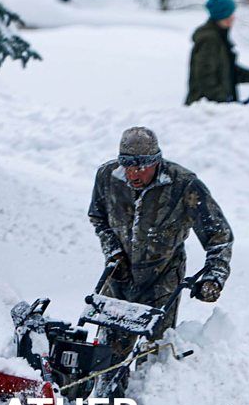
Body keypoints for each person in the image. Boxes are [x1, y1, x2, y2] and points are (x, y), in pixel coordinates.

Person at [88, 127, 234, 378]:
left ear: (156, 161)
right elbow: (98, 218)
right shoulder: (107, 177)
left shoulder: (184, 185)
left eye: (142, 166)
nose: (134, 173)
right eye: (127, 165)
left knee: (152, 357)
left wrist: (214, 277)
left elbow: (219, 236)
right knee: (106, 355)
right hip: (118, 277)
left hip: (162, 280)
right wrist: (113, 252)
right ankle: (101, 404)